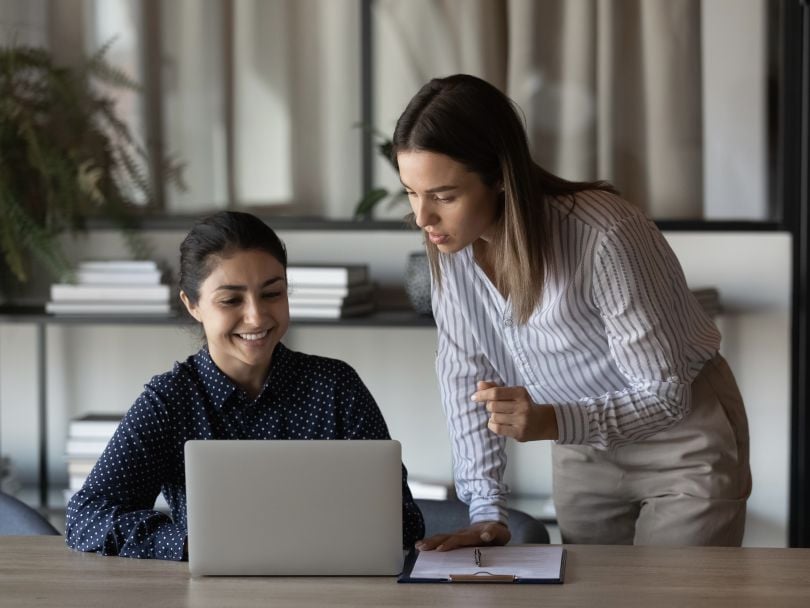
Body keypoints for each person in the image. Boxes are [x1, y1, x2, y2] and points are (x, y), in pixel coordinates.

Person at [393, 74, 751, 549]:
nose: (423, 218)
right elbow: (465, 380)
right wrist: (485, 512)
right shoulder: (450, 251)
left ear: (500, 175)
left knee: (675, 594)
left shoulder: (603, 233)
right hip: (580, 453)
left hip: (681, 439)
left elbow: (666, 395)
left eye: (444, 196)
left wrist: (551, 422)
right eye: (411, 193)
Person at [65, 211, 424, 560]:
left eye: (272, 293)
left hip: (330, 587)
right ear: (193, 305)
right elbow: (85, 518)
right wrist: (192, 542)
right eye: (231, 300)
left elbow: (404, 522)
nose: (256, 316)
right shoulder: (171, 400)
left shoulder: (336, 388)